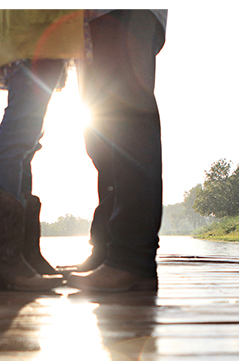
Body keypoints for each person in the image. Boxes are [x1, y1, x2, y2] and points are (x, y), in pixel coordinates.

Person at [0, 9, 84, 291]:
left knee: (27, 139)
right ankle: (4, 259)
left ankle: (23, 254)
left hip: (36, 32)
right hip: (36, 30)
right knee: (19, 134)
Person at [67, 9, 167, 293]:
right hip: (86, 23)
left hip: (123, 12)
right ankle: (106, 251)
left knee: (127, 118)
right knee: (99, 138)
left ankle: (131, 259)